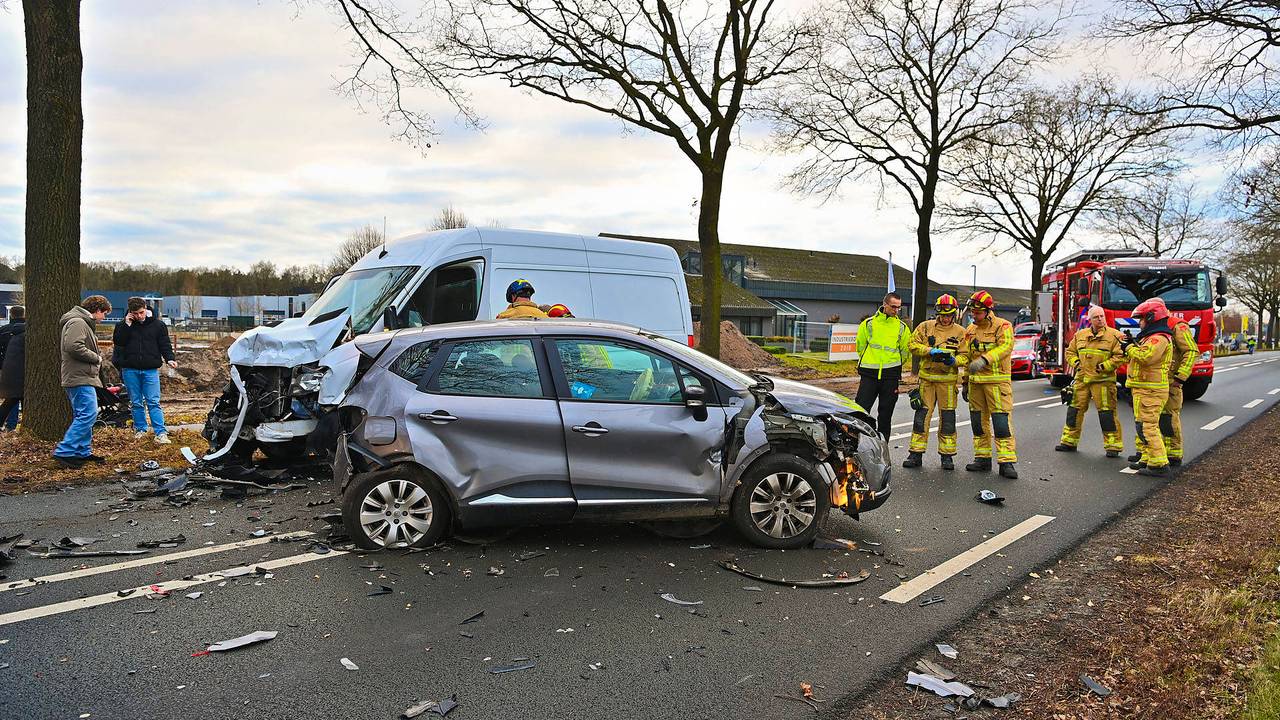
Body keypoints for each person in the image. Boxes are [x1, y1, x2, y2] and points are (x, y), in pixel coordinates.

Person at [957, 290, 1018, 479]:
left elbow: (1006, 347)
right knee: (978, 423)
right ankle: (982, 459)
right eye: (972, 313)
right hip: (976, 385)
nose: (973, 316)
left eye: (977, 312)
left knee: (1001, 423)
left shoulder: (1003, 326)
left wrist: (985, 360)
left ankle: (1006, 462)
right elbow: (967, 358)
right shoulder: (970, 331)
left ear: (987, 310)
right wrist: (965, 382)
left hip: (997, 383)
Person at [903, 294, 965, 470]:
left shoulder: (961, 332)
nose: (945, 319)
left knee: (948, 419)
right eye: (942, 315)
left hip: (948, 382)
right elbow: (912, 345)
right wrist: (930, 351)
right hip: (927, 381)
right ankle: (915, 453)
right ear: (937, 312)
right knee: (921, 417)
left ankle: (947, 456)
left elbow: (965, 355)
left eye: (949, 315)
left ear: (954, 314)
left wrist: (954, 361)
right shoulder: (925, 327)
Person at [1055, 305, 1125, 457]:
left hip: (1103, 381)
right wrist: (1076, 363)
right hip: (1081, 380)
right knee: (1074, 411)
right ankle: (1069, 442)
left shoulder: (1115, 336)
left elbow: (1121, 356)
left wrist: (1106, 366)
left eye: (1102, 316)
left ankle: (1113, 446)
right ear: (1090, 320)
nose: (1100, 319)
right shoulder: (1080, 335)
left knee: (1107, 414)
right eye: (1096, 317)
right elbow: (1070, 352)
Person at [53, 295, 112, 469]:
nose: (105, 318)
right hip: (79, 376)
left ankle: (81, 451)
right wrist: (97, 358)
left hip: (81, 376)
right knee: (88, 413)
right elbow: (73, 346)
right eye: (105, 314)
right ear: (98, 310)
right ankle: (65, 450)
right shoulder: (78, 322)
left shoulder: (80, 321)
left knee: (84, 414)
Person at [112, 298, 177, 444]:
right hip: (130, 369)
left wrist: (169, 358)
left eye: (141, 312)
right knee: (136, 402)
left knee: (153, 401)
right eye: (135, 314)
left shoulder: (158, 325)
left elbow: (164, 344)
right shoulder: (123, 325)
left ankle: (160, 432)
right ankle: (140, 429)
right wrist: (126, 325)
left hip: (150, 369)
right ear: (130, 313)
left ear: (145, 309)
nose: (139, 316)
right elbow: (119, 342)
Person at [1124, 298, 1174, 477]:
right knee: (1142, 425)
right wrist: (1132, 344)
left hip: (1151, 390)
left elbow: (1146, 357)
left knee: (1148, 427)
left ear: (1152, 318)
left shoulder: (1158, 338)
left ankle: (1159, 465)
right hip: (1144, 388)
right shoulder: (1152, 338)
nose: (1140, 323)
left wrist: (1129, 347)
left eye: (1142, 319)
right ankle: (1148, 458)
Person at [855, 292, 911, 441]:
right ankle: (857, 443)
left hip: (891, 376)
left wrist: (892, 365)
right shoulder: (868, 324)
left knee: (886, 415)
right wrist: (870, 361)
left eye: (898, 307)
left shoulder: (902, 328)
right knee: (860, 411)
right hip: (869, 374)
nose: (896, 310)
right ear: (884, 304)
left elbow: (905, 352)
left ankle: (883, 446)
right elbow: (860, 346)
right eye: (893, 306)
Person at [1154, 300, 1197, 468]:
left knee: (1168, 416)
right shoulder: (1156, 326)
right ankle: (1156, 452)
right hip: (1156, 382)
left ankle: (1173, 454)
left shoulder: (1177, 326)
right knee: (1150, 419)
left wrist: (1180, 377)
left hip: (1171, 382)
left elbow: (1191, 351)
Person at [0, 306, 26, 430]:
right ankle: (22, 425)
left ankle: (11, 425)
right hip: (22, 368)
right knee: (17, 398)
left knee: (11, 398)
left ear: (11, 314)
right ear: (24, 314)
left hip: (7, 368)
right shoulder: (28, 332)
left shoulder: (3, 330)